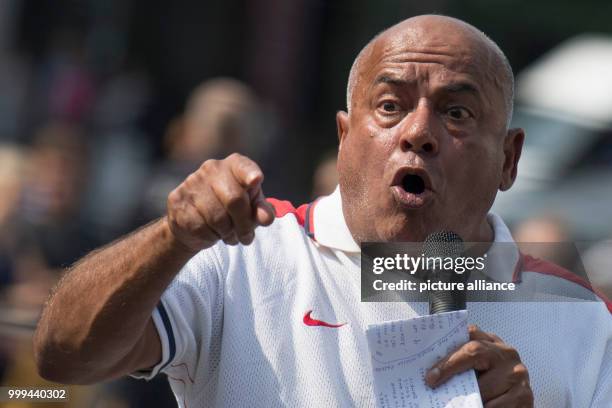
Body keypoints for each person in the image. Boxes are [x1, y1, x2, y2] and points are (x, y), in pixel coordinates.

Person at [33, 15, 611, 407]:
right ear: (343, 138)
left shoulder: (579, 316)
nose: (418, 132)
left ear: (509, 158)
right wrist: (171, 238)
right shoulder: (244, 258)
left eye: (457, 113)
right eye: (390, 106)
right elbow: (63, 355)